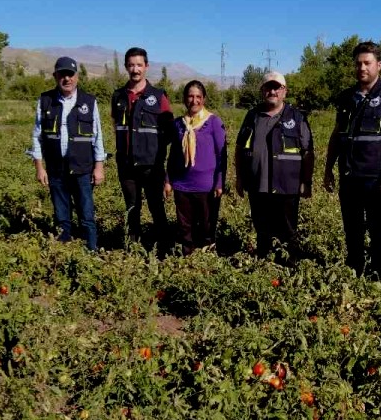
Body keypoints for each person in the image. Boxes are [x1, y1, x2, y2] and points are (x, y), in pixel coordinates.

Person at [323, 41, 381, 277]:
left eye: (367, 63)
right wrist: (328, 168)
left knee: (377, 226)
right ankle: (355, 271)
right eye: (358, 63)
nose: (362, 68)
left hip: (376, 176)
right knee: (352, 228)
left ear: (378, 65)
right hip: (349, 174)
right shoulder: (346, 97)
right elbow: (337, 134)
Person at [27, 56, 105, 251]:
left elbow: (98, 137)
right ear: (55, 76)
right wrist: (39, 167)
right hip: (56, 170)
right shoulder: (45, 101)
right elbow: (37, 136)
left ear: (77, 77)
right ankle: (63, 252)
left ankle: (91, 253)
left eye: (70, 74)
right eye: (62, 75)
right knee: (61, 216)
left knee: (87, 216)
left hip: (82, 169)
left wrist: (99, 167)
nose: (67, 79)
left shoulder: (89, 101)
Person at [235, 71, 314, 263]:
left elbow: (308, 152)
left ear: (284, 91)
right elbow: (239, 148)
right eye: (268, 87)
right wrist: (239, 178)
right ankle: (264, 265)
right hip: (257, 186)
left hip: (287, 186)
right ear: (262, 90)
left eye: (276, 87)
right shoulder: (252, 116)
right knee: (262, 230)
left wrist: (306, 182)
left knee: (287, 230)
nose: (272, 91)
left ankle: (288, 267)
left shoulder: (296, 117)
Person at [110, 47, 177, 251]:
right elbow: (116, 126)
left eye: (139, 65)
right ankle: (133, 249)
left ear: (146, 67)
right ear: (126, 67)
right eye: (131, 65)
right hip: (127, 164)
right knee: (132, 208)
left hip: (152, 165)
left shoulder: (158, 96)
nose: (135, 69)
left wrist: (153, 149)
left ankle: (165, 249)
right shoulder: (118, 96)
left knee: (157, 208)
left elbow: (169, 131)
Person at [164, 80, 227, 255]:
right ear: (185, 98)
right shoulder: (178, 124)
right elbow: (174, 154)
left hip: (207, 185)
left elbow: (222, 154)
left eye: (198, 96)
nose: (194, 100)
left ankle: (207, 256)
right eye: (190, 96)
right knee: (185, 225)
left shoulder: (213, 122)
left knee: (207, 224)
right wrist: (168, 180)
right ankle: (187, 256)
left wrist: (220, 182)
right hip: (182, 183)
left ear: (204, 99)